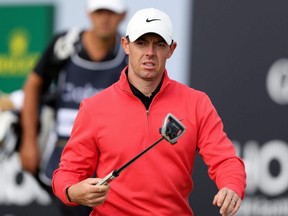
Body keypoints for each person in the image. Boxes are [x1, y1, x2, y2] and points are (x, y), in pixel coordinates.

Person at [52, 8, 246, 216]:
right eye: (141, 43)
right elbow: (68, 173)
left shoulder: (197, 103)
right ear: (126, 45)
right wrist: (73, 192)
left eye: (159, 44)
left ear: (171, 49)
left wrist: (232, 186)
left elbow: (225, 160)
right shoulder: (94, 107)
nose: (150, 53)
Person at [19, 0, 127, 215]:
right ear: (89, 13)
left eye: (111, 13)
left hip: (109, 159)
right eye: (99, 12)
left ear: (122, 16)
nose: (105, 19)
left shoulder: (129, 53)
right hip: (64, 155)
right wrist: (28, 140)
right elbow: (33, 84)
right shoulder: (65, 45)